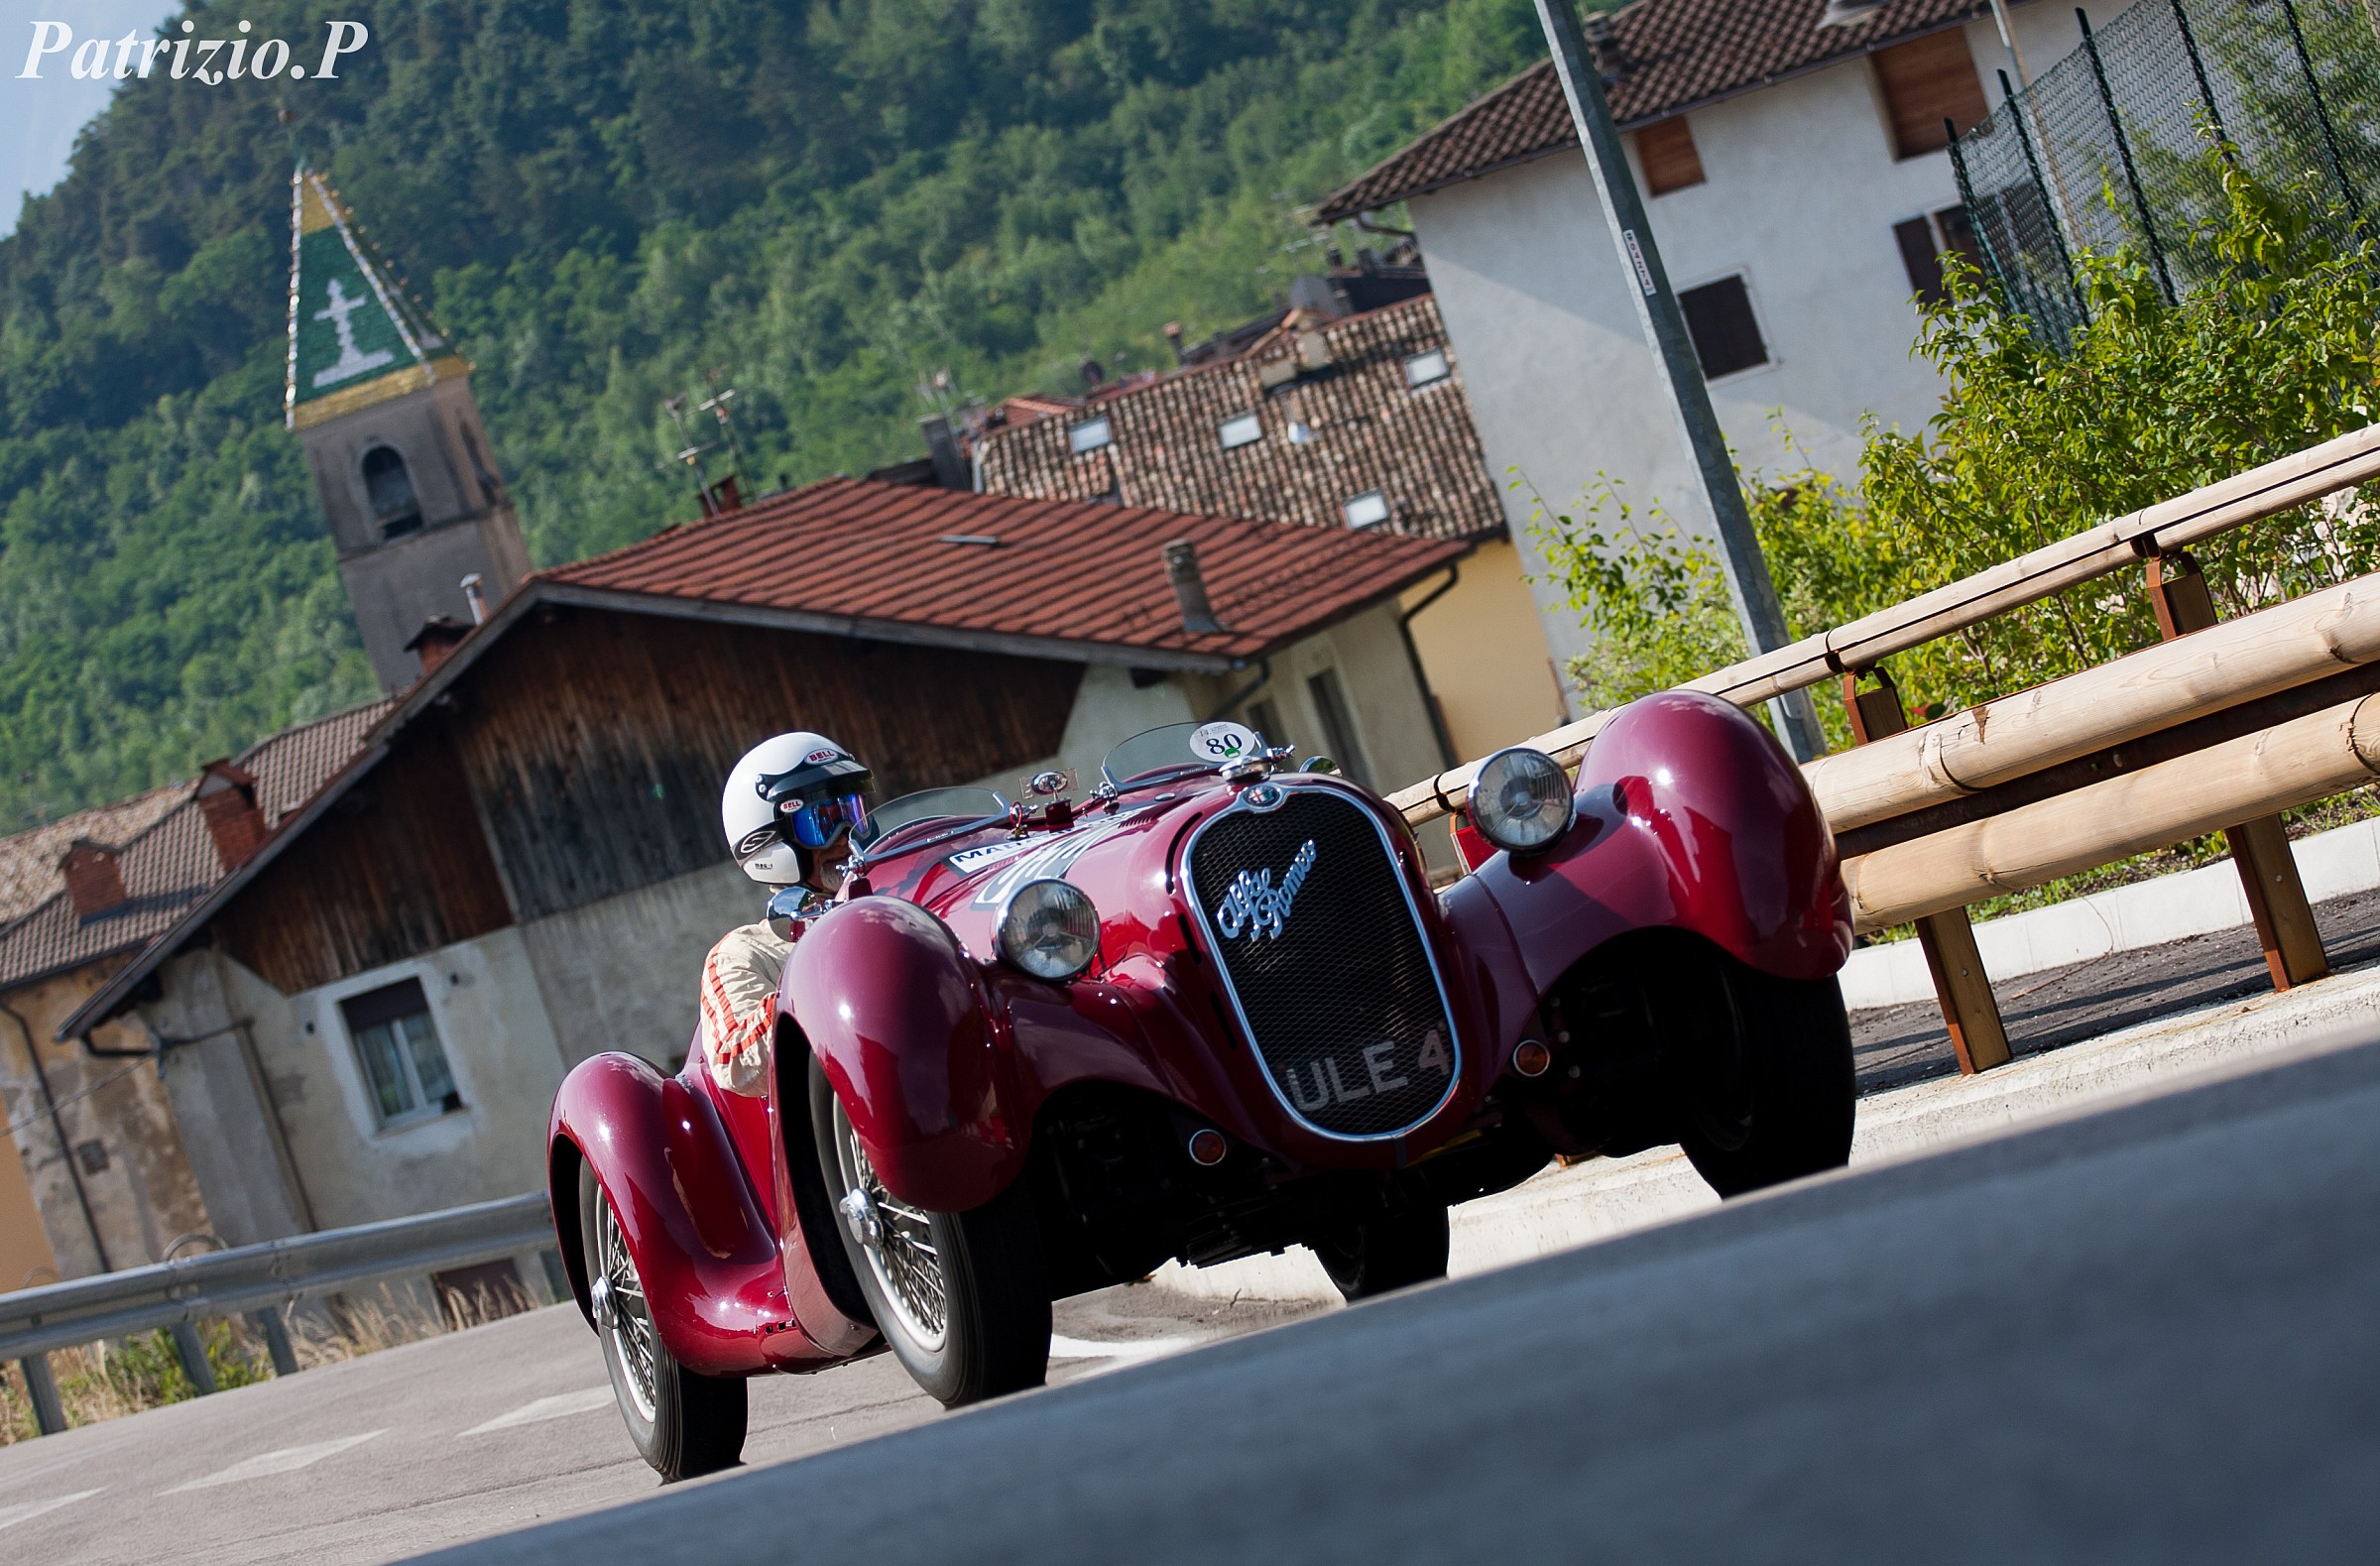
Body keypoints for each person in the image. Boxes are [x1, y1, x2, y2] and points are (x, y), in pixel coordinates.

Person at [701, 733, 873, 1096]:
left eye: (851, 813)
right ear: (770, 841)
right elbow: (735, 1062)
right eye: (822, 821)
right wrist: (820, 976)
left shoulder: (899, 893)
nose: (845, 837)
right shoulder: (744, 952)